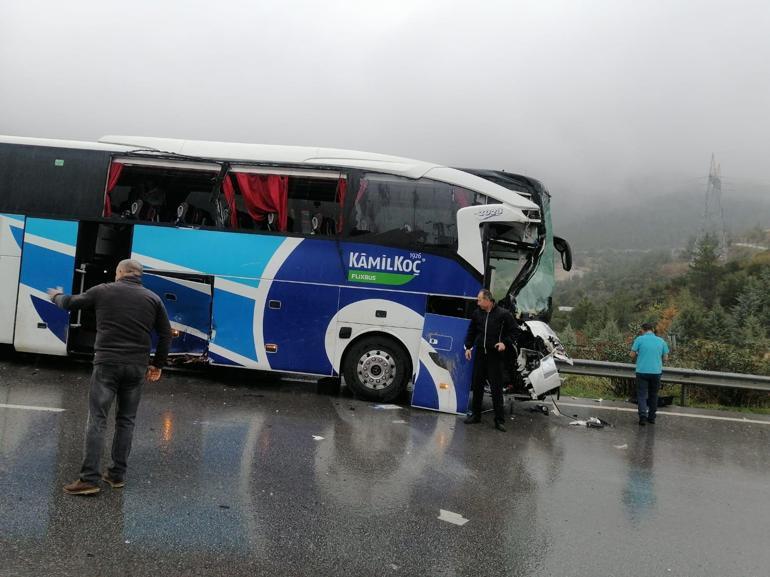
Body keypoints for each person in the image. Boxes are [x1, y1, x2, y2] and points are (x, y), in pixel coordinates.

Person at [47, 259, 171, 495]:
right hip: (136, 366)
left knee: (97, 419)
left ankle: (89, 479)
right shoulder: (153, 299)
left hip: (107, 364)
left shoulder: (103, 291)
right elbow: (165, 334)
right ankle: (116, 475)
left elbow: (71, 302)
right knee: (126, 420)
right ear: (138, 275)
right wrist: (158, 365)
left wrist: (55, 296)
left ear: (120, 273)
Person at [463, 289, 519, 431]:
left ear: (488, 300)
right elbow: (472, 331)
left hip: (495, 356)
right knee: (477, 386)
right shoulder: (477, 314)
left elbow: (514, 331)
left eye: (479, 300)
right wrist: (468, 347)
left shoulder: (503, 314)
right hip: (480, 354)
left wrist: (504, 343)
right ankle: (476, 416)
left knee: (496, 389)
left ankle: (499, 420)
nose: (477, 302)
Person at [630, 322, 669, 426]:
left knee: (642, 395)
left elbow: (632, 355)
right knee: (654, 394)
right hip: (656, 372)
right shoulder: (661, 341)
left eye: (641, 330)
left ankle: (642, 417)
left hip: (642, 371)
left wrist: (639, 354)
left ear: (643, 330)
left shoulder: (639, 339)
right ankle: (651, 418)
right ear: (652, 330)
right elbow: (665, 358)